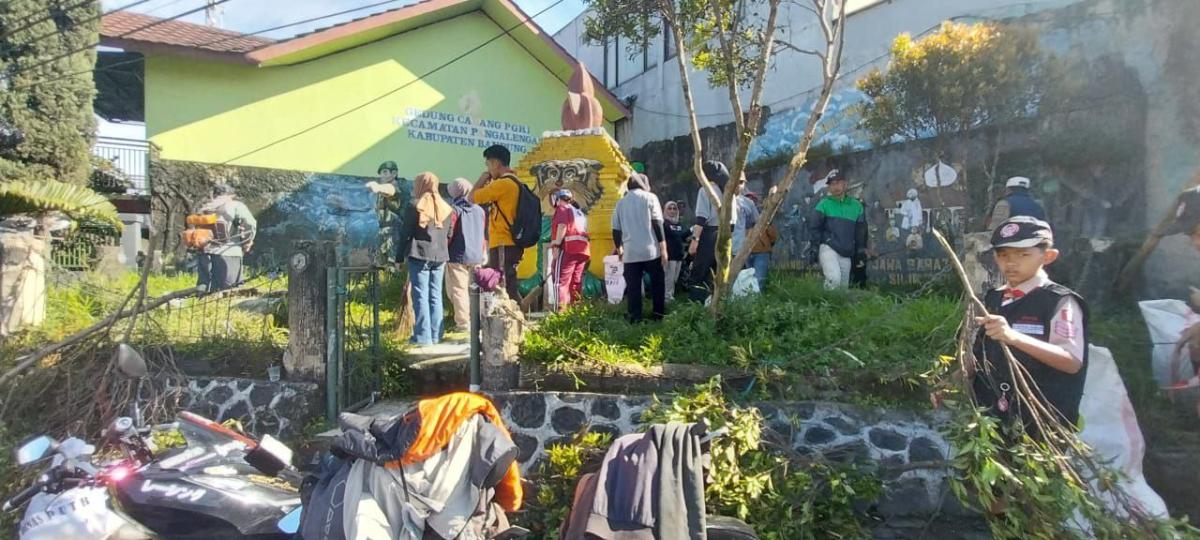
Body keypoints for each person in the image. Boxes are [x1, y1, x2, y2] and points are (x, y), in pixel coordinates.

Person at [971, 216, 1088, 438]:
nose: (1011, 263)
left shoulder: (1059, 302)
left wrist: (1014, 337)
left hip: (1040, 423)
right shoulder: (994, 298)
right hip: (990, 419)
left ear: (1048, 256)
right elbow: (981, 351)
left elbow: (1071, 361)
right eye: (1003, 255)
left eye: (1023, 255)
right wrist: (956, 378)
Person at [399, 172, 454, 346]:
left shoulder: (415, 206)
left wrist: (399, 257)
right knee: (435, 294)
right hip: (440, 256)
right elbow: (449, 233)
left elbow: (405, 233)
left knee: (420, 295)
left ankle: (423, 337)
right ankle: (436, 334)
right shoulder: (446, 208)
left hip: (419, 254)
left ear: (420, 185)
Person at [471, 145, 525, 303]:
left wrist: (482, 179)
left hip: (502, 243)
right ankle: (518, 312)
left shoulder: (503, 184)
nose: (488, 169)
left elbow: (471, 197)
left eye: (488, 164)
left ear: (495, 163)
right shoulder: (515, 181)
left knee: (502, 286)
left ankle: (514, 314)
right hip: (512, 242)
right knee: (508, 284)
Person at [612, 173, 667, 322]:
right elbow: (657, 223)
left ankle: (635, 316)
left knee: (633, 287)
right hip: (651, 251)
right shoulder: (650, 198)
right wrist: (663, 249)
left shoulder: (620, 203)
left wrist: (620, 249)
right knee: (657, 283)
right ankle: (658, 314)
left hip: (630, 253)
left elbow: (616, 230)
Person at [688, 161, 738, 302]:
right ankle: (719, 303)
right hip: (726, 234)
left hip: (709, 234)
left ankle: (697, 306)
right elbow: (733, 221)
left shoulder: (706, 190)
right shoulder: (730, 192)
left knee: (699, 274)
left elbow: (701, 218)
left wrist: (695, 241)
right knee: (719, 272)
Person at [808, 169, 866, 290]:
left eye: (838, 183)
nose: (835, 187)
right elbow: (814, 228)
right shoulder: (823, 204)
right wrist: (814, 250)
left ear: (845, 184)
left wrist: (860, 253)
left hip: (846, 251)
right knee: (833, 280)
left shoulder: (857, 206)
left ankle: (831, 303)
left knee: (843, 288)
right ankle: (826, 303)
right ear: (829, 187)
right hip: (828, 248)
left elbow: (861, 232)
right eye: (832, 184)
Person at [196, 182, 256, 292]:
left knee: (205, 289)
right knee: (230, 291)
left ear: (214, 194)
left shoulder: (205, 208)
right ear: (230, 195)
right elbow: (250, 224)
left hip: (204, 253)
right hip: (228, 252)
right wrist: (247, 241)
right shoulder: (236, 206)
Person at [445, 178, 487, 333]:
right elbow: (483, 233)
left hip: (457, 255)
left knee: (458, 290)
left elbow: (449, 233)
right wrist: (483, 251)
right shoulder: (480, 210)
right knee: (475, 290)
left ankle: (463, 324)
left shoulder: (454, 210)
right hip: (476, 255)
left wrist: (444, 249)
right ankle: (479, 319)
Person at [548, 189, 590, 311]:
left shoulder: (562, 209)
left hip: (568, 248)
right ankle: (576, 311)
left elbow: (562, 226)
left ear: (557, 199)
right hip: (583, 250)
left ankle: (560, 312)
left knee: (560, 281)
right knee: (575, 282)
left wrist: (556, 243)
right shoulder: (579, 212)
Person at [366, 161, 410, 268]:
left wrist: (378, 187)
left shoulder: (396, 187)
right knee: (381, 265)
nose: (382, 175)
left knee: (393, 266)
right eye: (381, 173)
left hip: (394, 233)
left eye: (385, 172)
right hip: (384, 232)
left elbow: (391, 190)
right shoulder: (381, 192)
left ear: (394, 173)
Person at [744, 193, 777, 291]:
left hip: (761, 253)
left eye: (753, 199)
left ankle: (757, 299)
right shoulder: (740, 216)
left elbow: (773, 235)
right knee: (745, 281)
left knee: (759, 280)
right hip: (744, 253)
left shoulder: (763, 217)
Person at [663, 200, 690, 301]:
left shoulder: (679, 224)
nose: (672, 210)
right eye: (669, 208)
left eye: (674, 208)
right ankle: (667, 297)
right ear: (665, 210)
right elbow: (672, 236)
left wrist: (691, 230)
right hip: (669, 255)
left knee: (674, 278)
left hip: (679, 254)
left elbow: (681, 236)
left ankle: (671, 295)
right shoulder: (664, 223)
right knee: (669, 277)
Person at [731, 176, 759, 258]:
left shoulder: (748, 203)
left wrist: (748, 241)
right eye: (736, 181)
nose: (738, 185)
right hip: (720, 249)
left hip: (739, 250)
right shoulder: (719, 198)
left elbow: (755, 223)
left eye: (741, 182)